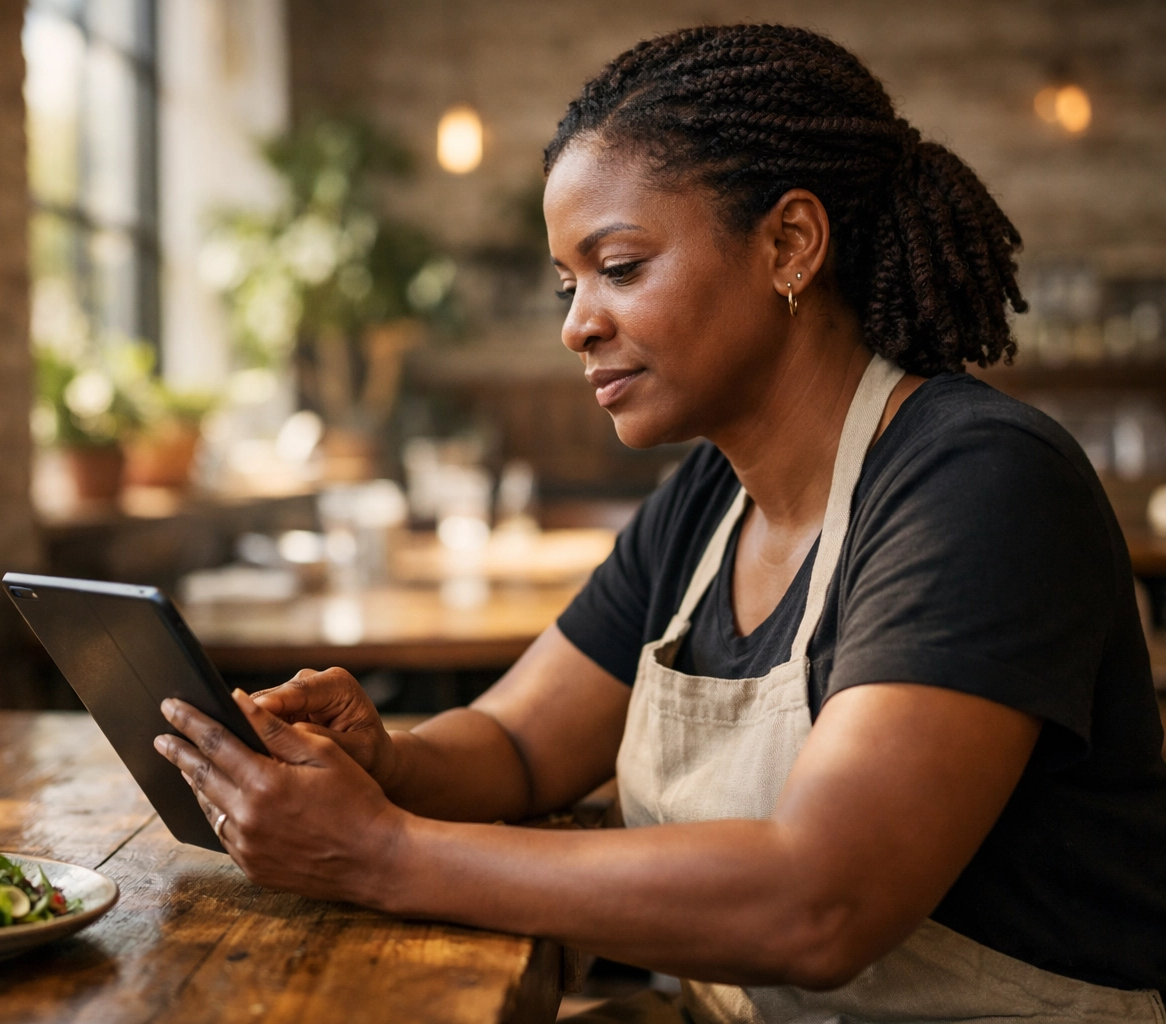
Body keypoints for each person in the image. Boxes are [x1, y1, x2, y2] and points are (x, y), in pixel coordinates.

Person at [153, 24, 1166, 1022]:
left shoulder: (981, 484)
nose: (575, 322)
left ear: (790, 243)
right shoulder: (707, 500)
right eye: (568, 283)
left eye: (620, 266)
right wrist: (386, 762)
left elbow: (823, 900)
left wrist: (382, 851)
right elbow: (516, 742)